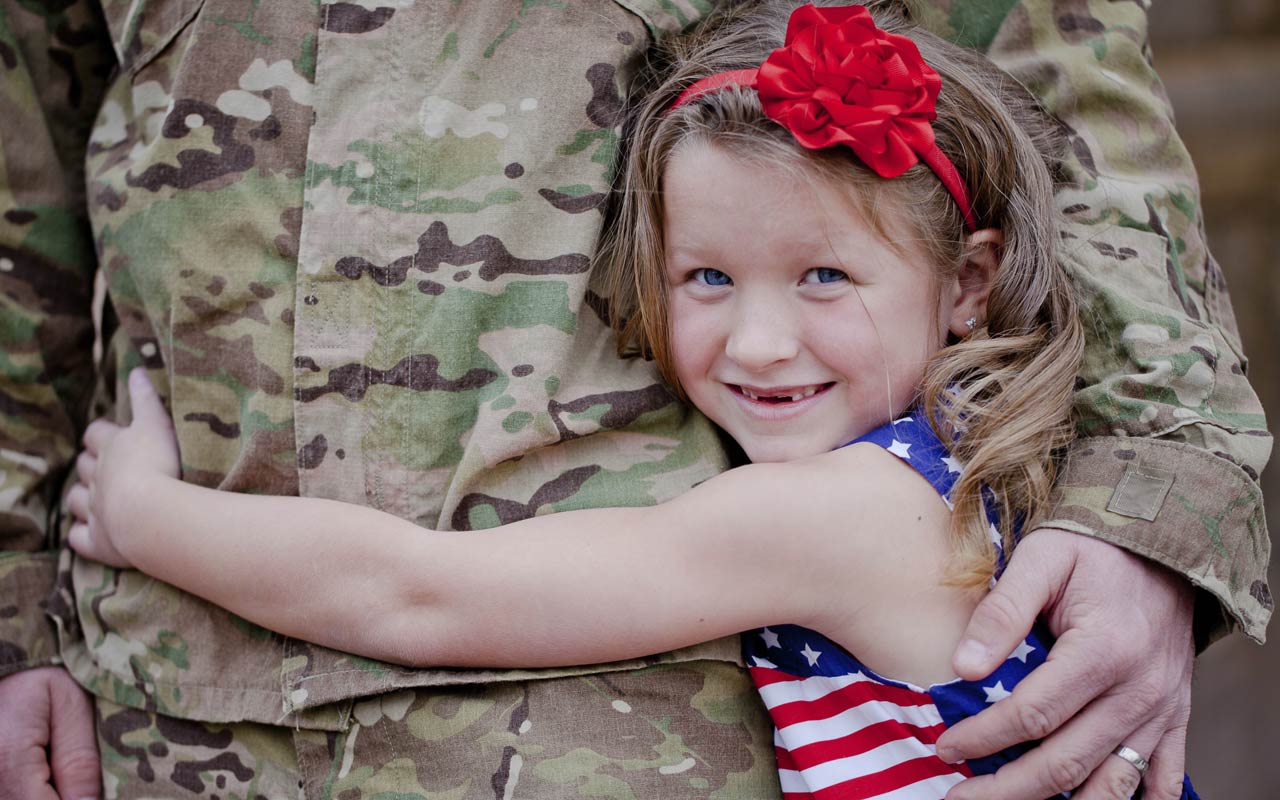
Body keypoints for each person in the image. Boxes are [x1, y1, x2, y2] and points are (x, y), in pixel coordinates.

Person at [0, 0, 1267, 798]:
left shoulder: (839, 515)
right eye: (702, 276)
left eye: (824, 273)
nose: (757, 340)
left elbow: (412, 590)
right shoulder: (928, 479)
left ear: (967, 285)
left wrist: (140, 513)